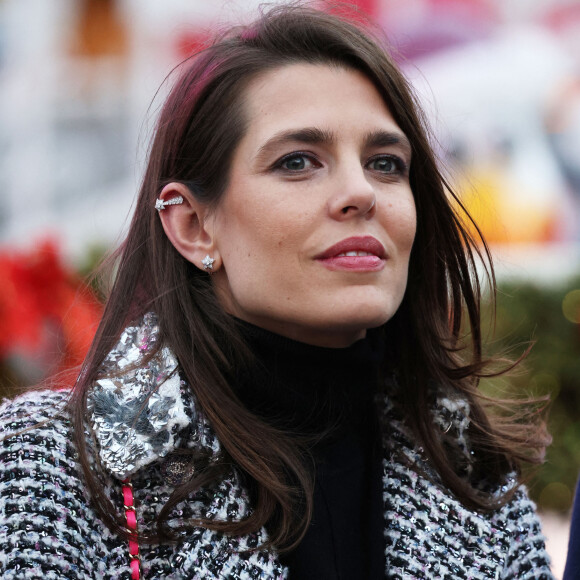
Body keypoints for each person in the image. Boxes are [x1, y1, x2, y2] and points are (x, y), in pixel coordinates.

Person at [0, 4, 554, 579]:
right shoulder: (48, 468)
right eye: (297, 161)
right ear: (192, 225)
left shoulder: (472, 472)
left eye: (386, 164)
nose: (360, 192)